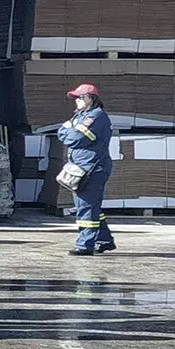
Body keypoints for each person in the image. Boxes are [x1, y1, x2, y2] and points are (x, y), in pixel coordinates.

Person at [59, 83, 117, 256]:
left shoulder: (96, 116)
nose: (77, 100)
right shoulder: (80, 115)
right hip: (81, 168)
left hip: (92, 169)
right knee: (89, 206)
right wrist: (72, 132)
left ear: (91, 99)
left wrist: (72, 132)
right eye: (76, 98)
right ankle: (104, 240)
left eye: (80, 97)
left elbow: (75, 139)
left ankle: (85, 245)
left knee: (86, 207)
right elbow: (61, 132)